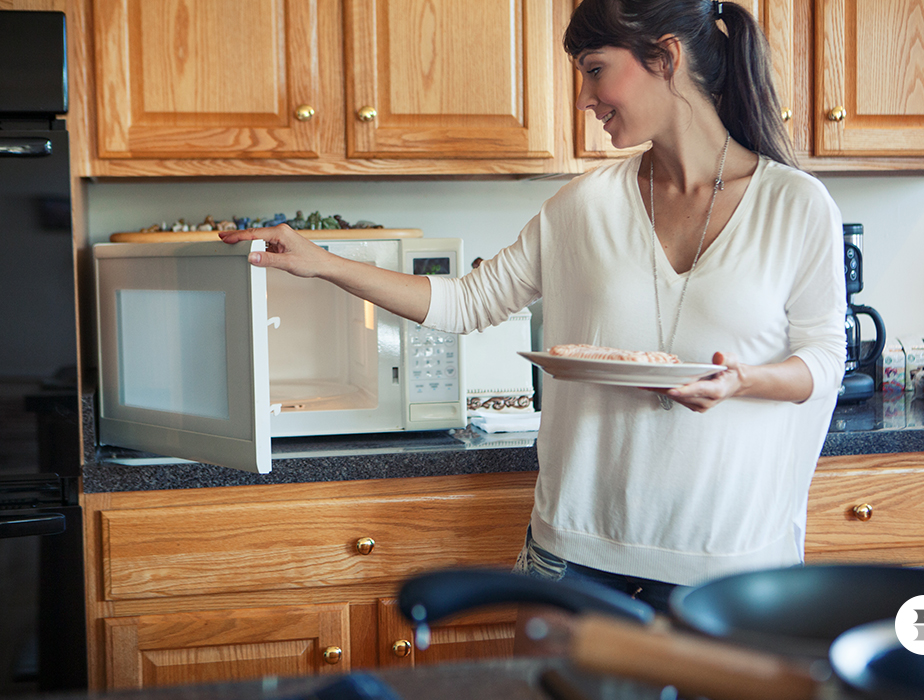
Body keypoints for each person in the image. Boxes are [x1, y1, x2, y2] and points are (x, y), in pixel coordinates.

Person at [220, 0, 845, 612]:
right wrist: (321, 261)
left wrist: (744, 381)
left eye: (595, 69)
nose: (584, 98)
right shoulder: (583, 206)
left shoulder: (795, 205)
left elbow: (824, 360)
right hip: (577, 552)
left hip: (727, 558)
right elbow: (467, 302)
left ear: (665, 57)